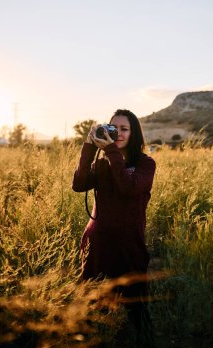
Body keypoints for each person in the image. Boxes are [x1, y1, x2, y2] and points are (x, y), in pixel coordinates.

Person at [72, 109, 156, 346]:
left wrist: (109, 151)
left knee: (136, 304)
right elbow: (78, 185)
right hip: (98, 242)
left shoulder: (145, 164)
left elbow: (128, 187)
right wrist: (89, 147)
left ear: (134, 133)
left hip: (129, 244)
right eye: (112, 128)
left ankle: (143, 340)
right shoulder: (101, 163)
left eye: (124, 129)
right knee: (93, 300)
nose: (117, 134)